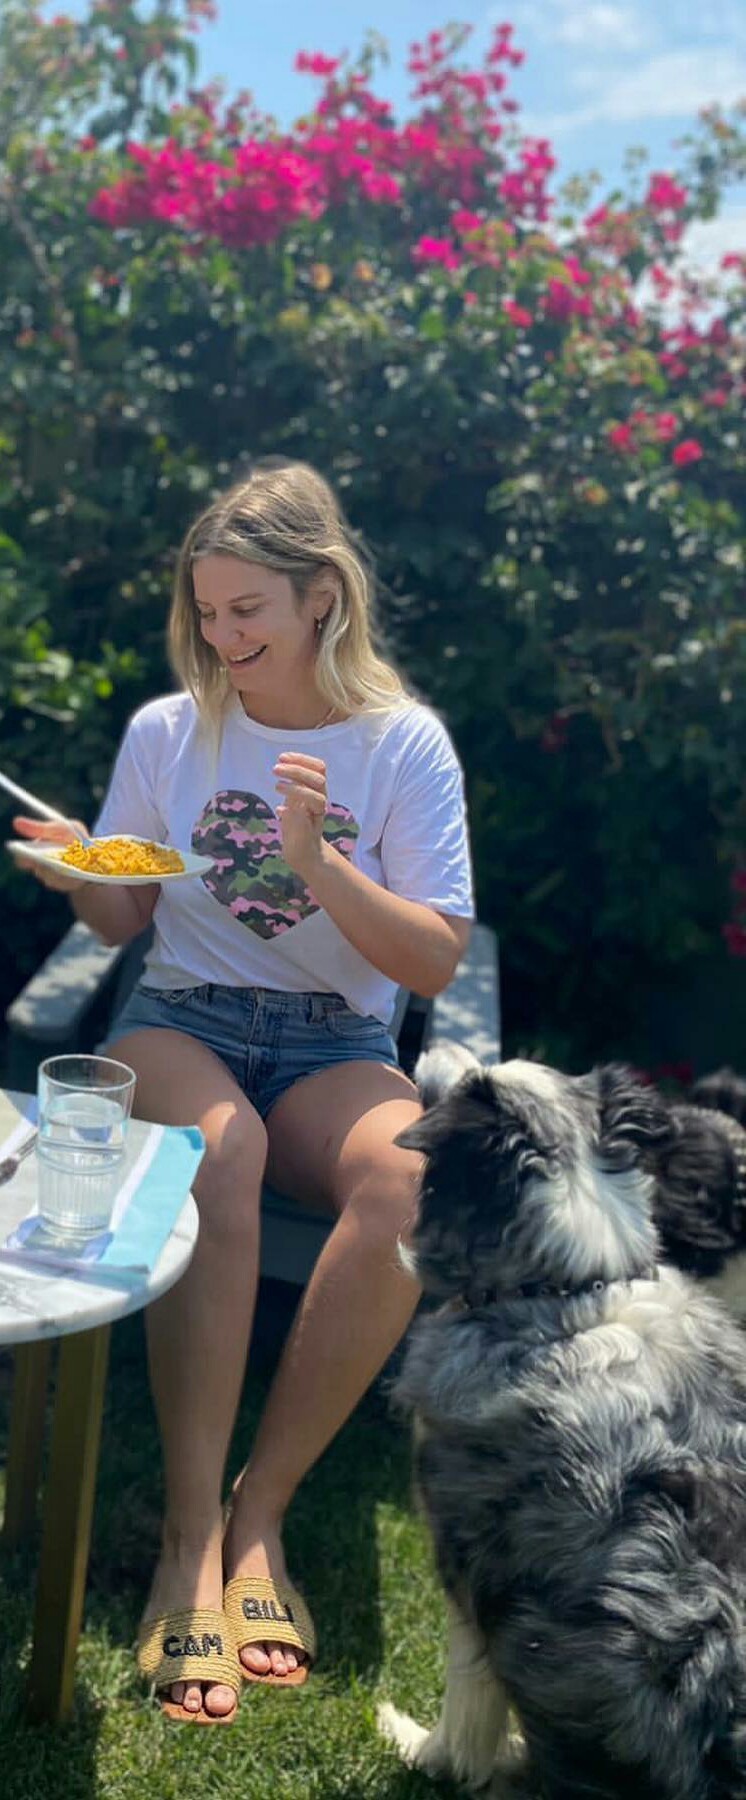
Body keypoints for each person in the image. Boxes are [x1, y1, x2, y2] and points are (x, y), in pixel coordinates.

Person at [13, 459, 474, 1724]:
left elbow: (432, 958)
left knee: (409, 1180)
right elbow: (124, 924)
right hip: (185, 1018)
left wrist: (315, 861)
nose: (221, 637)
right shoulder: (170, 732)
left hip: (336, 1041)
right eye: (206, 612)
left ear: (321, 595)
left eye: (247, 611)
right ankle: (186, 1546)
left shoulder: (399, 744)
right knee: (217, 1153)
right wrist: (84, 871)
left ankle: (256, 1515)